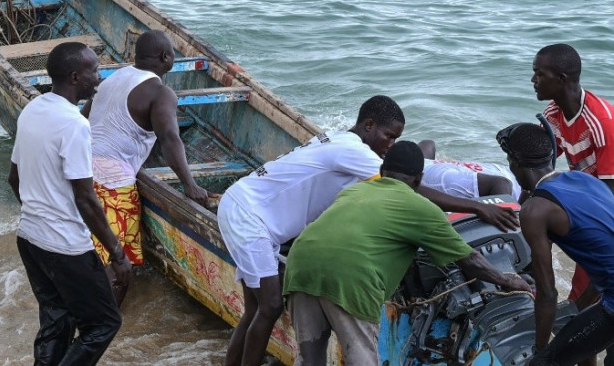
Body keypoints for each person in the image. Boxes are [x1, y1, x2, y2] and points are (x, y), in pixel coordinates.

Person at [216, 95, 517, 366]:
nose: (390, 144)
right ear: (369, 126)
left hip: (247, 207)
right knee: (268, 305)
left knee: (256, 308)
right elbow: (413, 190)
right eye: (389, 136)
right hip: (251, 216)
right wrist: (477, 207)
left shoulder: (336, 139)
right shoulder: (357, 153)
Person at [283, 141, 530, 366]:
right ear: (418, 179)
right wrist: (507, 280)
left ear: (382, 169)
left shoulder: (354, 192)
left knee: (309, 359)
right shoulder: (421, 207)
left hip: (300, 264)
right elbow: (469, 259)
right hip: (350, 277)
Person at [7, 42, 129, 365]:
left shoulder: (32, 110)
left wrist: (39, 212)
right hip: (64, 246)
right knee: (103, 323)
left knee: (57, 320)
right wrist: (117, 253)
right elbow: (86, 199)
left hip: (29, 237)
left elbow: (13, 178)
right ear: (75, 77)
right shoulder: (75, 125)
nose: (99, 79)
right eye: (94, 71)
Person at [82, 30, 213, 304]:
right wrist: (190, 185)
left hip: (80, 170)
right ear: (166, 57)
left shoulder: (114, 77)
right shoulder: (160, 92)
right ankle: (103, 325)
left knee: (89, 253)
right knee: (115, 263)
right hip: (112, 184)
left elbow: (84, 116)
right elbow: (169, 139)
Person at [499, 121, 614, 365]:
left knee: (548, 361)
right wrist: (578, 308)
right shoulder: (587, 180)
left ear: (515, 164)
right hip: (609, 295)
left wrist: (540, 351)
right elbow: (604, 250)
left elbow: (547, 293)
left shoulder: (535, 210)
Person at [532, 43, 614, 318]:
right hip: (589, 200)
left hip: (603, 207)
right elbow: (541, 171)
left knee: (583, 306)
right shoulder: (553, 116)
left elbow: (609, 195)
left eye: (539, 74)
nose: (533, 81)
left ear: (562, 79)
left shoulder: (601, 122)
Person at [417, 139, 522, 201]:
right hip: (511, 170)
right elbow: (427, 143)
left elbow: (502, 183)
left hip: (517, 188)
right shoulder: (421, 161)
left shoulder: (442, 180)